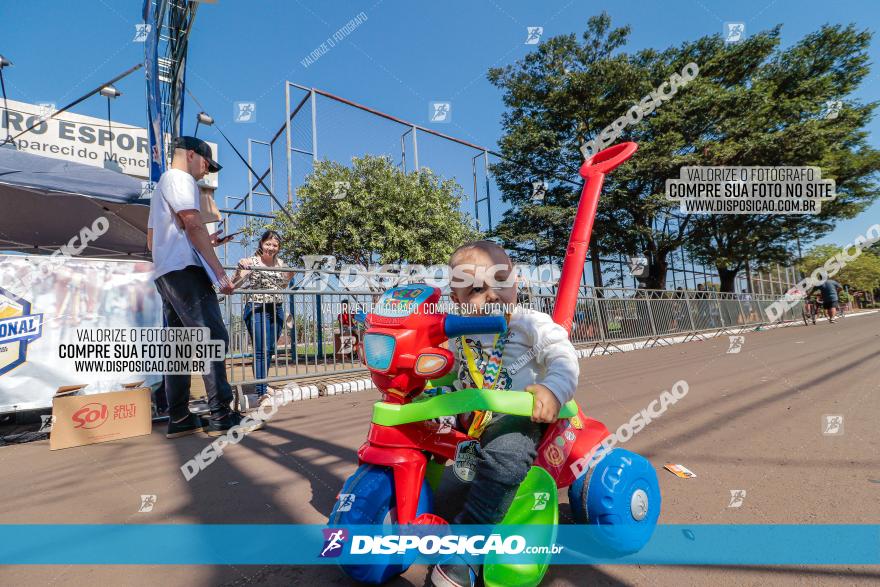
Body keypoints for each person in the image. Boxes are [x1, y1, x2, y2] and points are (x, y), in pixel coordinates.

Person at [430, 240, 579, 587]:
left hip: (522, 418)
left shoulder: (528, 322)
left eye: (501, 281)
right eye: (478, 289)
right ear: (458, 301)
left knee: (505, 457)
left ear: (517, 282)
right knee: (441, 471)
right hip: (475, 424)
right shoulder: (459, 335)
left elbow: (563, 355)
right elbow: (459, 380)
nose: (493, 294)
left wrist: (553, 389)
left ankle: (470, 544)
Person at [148, 135, 262, 438]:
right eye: (206, 163)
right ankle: (222, 415)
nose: (207, 170)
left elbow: (153, 239)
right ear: (190, 155)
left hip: (167, 273)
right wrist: (219, 273)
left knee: (180, 347)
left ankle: (180, 417)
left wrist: (205, 243)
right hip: (186, 272)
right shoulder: (180, 178)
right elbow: (194, 223)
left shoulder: (161, 187)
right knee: (212, 337)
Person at [232, 230, 295, 406]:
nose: (271, 247)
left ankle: (263, 383)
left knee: (269, 350)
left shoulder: (281, 263)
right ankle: (261, 393)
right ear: (261, 244)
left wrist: (289, 276)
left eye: (275, 245)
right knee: (260, 350)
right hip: (257, 308)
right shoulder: (251, 262)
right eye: (268, 243)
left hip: (277, 309)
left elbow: (281, 286)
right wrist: (239, 268)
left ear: (279, 247)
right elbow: (235, 284)